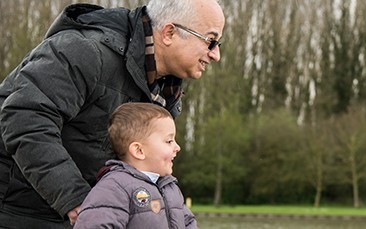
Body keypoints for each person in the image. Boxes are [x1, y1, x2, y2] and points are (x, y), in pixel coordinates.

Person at [0, 0, 224, 228]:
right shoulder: (85, 51)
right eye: (211, 41)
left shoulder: (166, 91)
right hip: (18, 212)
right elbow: (24, 117)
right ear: (169, 33)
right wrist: (77, 201)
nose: (216, 55)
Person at [74, 102, 195, 229]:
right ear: (139, 151)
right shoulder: (114, 188)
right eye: (169, 141)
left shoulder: (170, 188)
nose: (177, 147)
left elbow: (188, 222)